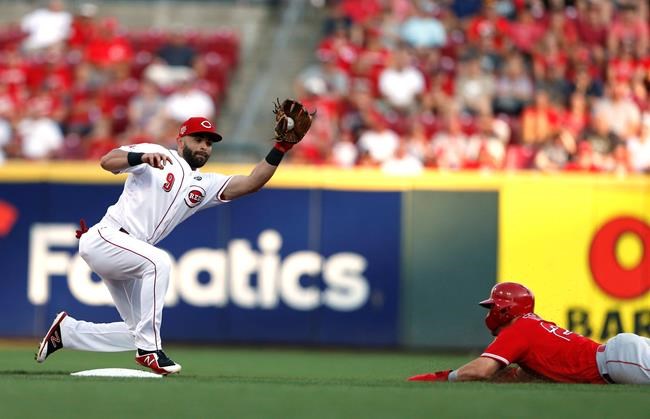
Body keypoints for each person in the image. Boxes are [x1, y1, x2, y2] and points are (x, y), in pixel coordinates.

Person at [35, 110, 310, 375]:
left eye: (208, 142)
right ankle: (150, 351)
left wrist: (281, 148)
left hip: (128, 253)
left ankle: (68, 333)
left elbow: (252, 182)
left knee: (137, 331)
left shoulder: (205, 184)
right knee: (159, 262)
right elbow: (107, 161)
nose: (204, 146)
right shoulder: (158, 154)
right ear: (180, 141)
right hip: (107, 237)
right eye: (197, 139)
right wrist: (140, 156)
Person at [408, 282, 650, 384]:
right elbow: (523, 374)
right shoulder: (529, 325)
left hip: (618, 361)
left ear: (505, 309)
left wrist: (446, 377)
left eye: (493, 306)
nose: (490, 311)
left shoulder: (518, 330)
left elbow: (483, 370)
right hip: (620, 357)